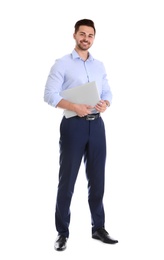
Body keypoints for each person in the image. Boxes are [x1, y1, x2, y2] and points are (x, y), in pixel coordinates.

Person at [44, 18, 118, 251]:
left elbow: (106, 89)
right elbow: (49, 94)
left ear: (94, 38)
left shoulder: (99, 65)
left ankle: (98, 227)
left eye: (90, 35)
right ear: (75, 35)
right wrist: (75, 106)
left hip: (97, 126)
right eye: (82, 34)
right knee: (67, 181)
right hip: (73, 126)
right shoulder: (62, 64)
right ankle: (62, 232)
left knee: (97, 179)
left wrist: (106, 101)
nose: (86, 39)